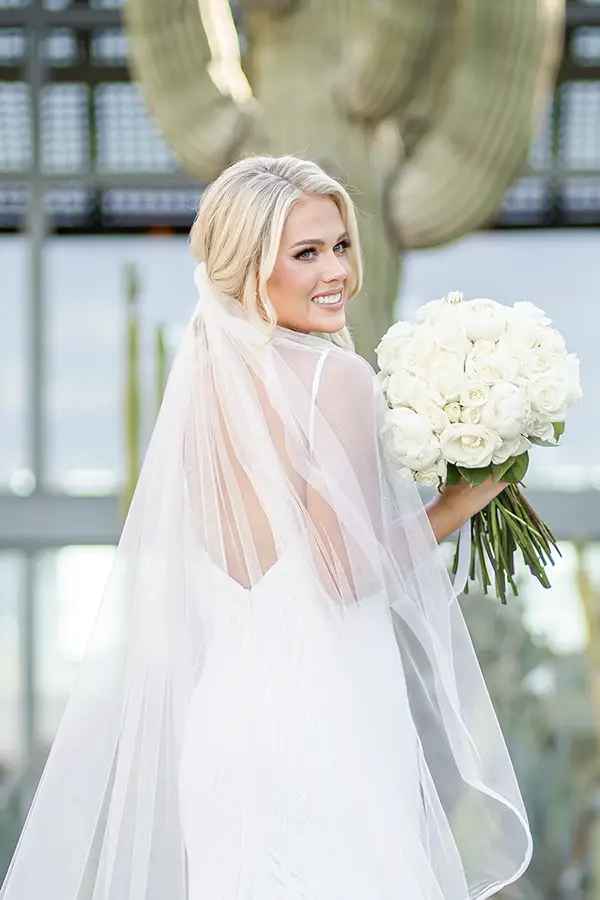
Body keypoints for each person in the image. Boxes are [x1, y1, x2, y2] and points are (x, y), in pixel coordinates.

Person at [0, 155, 532, 900]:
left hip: (224, 732)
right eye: (306, 253)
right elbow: (344, 573)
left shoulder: (205, 390)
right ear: (251, 268)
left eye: (340, 245)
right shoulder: (331, 377)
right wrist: (455, 506)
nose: (335, 272)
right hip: (324, 725)